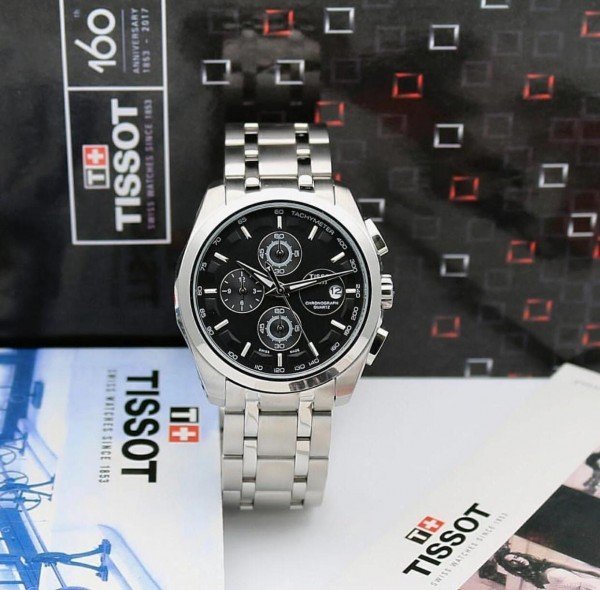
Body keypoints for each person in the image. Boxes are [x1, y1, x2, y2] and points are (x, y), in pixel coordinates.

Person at [496, 550, 600, 590]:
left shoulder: (547, 563)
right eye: (512, 562)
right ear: (512, 567)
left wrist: (597, 573)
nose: (517, 560)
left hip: (592, 586)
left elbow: (583, 570)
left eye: (516, 557)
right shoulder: (534, 580)